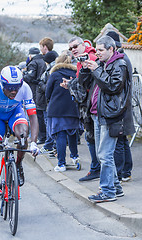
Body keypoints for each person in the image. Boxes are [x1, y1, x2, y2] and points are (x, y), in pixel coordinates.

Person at [0, 66, 40, 216]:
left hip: (15, 113)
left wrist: (33, 142)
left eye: (16, 87)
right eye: (9, 88)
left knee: (22, 137)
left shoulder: (25, 88)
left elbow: (33, 117)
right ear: (2, 84)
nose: (13, 91)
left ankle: (18, 165)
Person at [84, 36, 129, 202]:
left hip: (111, 116)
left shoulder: (120, 64)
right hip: (99, 114)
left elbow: (113, 86)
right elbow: (87, 85)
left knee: (105, 155)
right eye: (96, 50)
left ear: (111, 49)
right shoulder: (104, 64)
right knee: (102, 153)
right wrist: (85, 69)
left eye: (101, 50)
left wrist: (96, 69)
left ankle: (108, 192)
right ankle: (115, 188)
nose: (97, 53)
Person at [63, 36, 100, 181]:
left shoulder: (89, 58)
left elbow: (88, 84)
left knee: (92, 139)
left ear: (83, 44)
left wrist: (72, 85)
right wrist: (71, 84)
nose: (73, 50)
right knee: (91, 138)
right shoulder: (81, 61)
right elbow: (82, 82)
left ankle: (97, 169)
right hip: (88, 105)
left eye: (75, 46)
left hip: (92, 105)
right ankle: (96, 169)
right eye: (71, 48)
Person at [105, 31, 135, 183]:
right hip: (124, 104)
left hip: (121, 104)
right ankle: (126, 171)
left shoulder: (121, 60)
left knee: (119, 140)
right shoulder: (124, 57)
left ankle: (122, 171)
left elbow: (117, 85)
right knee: (122, 139)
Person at [45, 51, 80, 172]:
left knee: (60, 135)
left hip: (57, 109)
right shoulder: (76, 73)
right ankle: (75, 158)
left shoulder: (55, 74)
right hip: (73, 108)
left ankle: (61, 164)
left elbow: (47, 92)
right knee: (72, 133)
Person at [23, 47, 46, 144]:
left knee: (36, 115)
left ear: (30, 55)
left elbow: (30, 76)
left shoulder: (33, 63)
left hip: (35, 91)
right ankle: (43, 135)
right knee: (42, 114)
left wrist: (23, 75)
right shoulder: (43, 61)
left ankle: (40, 137)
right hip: (42, 90)